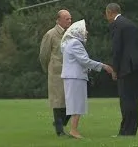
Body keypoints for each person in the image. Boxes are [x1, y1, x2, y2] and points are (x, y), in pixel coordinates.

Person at [60, 19, 113, 139]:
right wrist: (103, 66)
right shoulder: (75, 43)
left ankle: (73, 129)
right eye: (84, 30)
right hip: (75, 77)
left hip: (73, 77)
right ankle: (73, 130)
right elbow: (85, 61)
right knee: (77, 103)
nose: (86, 33)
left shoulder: (70, 43)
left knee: (76, 103)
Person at [105, 3, 138, 136]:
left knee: (126, 99)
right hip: (137, 66)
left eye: (107, 15)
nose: (107, 18)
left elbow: (117, 49)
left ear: (110, 13)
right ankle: (132, 129)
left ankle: (125, 131)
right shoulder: (131, 24)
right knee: (134, 100)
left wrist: (115, 69)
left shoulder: (117, 25)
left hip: (125, 67)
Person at [39, 9, 72, 137]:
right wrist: (49, 68)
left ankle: (60, 123)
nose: (69, 21)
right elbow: (44, 55)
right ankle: (60, 130)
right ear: (58, 20)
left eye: (70, 19)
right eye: (66, 19)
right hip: (56, 73)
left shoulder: (71, 34)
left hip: (70, 72)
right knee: (58, 102)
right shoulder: (51, 34)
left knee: (70, 101)